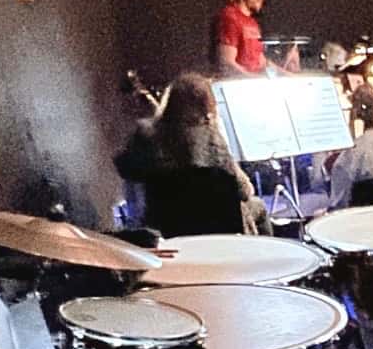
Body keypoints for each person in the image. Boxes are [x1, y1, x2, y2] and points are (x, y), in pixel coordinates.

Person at [115, 73, 268, 236]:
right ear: (206, 103)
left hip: (165, 226)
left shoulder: (144, 135)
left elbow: (127, 169)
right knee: (259, 206)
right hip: (219, 225)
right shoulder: (211, 138)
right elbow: (243, 191)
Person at [213, 0, 274, 77]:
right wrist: (256, 80)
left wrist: (289, 76)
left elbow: (260, 61)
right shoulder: (229, 18)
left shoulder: (252, 22)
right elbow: (226, 63)